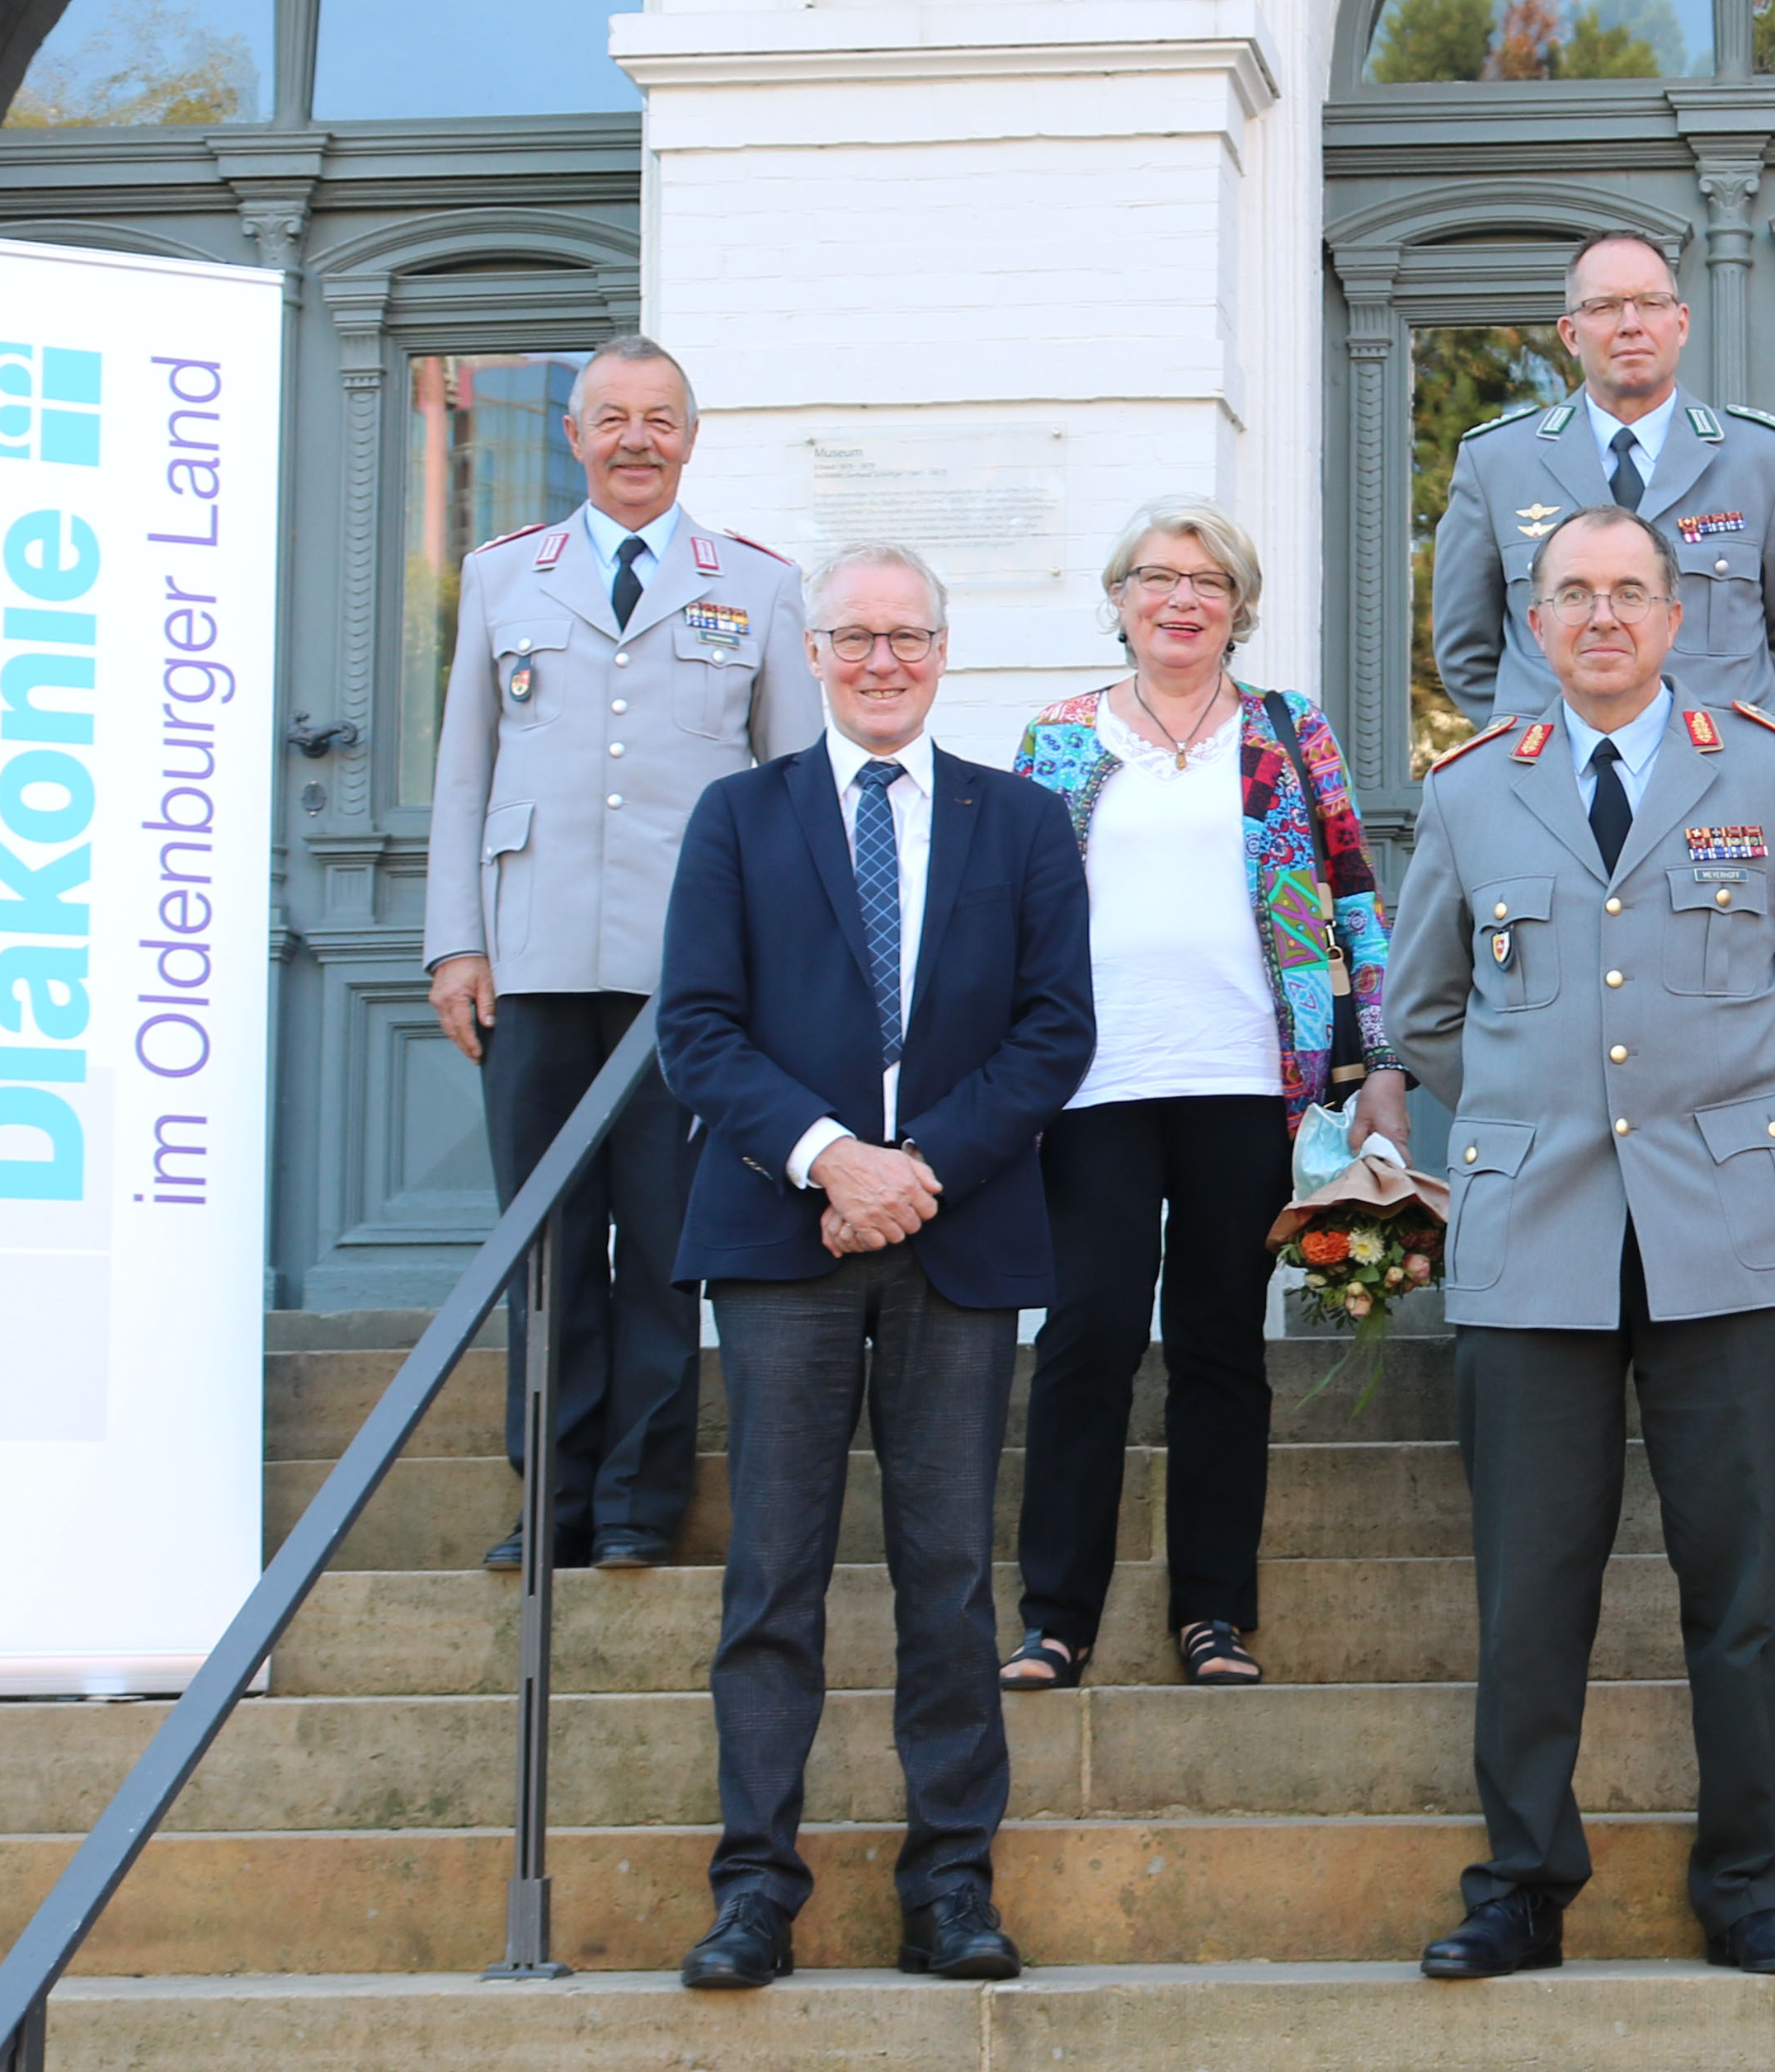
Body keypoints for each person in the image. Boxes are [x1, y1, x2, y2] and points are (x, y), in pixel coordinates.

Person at [1384, 503, 1775, 1983]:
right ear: (1532, 625)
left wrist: (1717, 1116)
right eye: (1571, 594)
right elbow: (1420, 1013)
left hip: (1731, 1225)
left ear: (1676, 618)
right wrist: (1542, 1115)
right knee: (1534, 1587)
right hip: (1535, 1232)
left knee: (1742, 1584)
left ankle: (1749, 1887)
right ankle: (1520, 1885)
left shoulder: (1772, 775)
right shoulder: (1470, 794)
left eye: (1629, 593)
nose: (1601, 617)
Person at [651, 545, 1096, 1992]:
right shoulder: (739, 815)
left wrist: (916, 1176)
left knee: (948, 1574)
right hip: (780, 1242)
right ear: (817, 649)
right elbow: (698, 1028)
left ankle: (951, 1887)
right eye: (857, 636)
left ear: (945, 650)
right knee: (771, 1575)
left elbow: (1054, 1030)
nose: (884, 659)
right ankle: (754, 1892)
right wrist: (836, 1157)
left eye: (909, 635)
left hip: (956, 1242)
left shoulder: (1022, 820)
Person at [421, 333, 820, 1574]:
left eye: (660, 418)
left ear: (689, 438)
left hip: (687, 984)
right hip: (530, 960)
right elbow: (463, 773)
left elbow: (797, 794)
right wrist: (455, 946)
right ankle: (552, 1502)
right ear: (573, 435)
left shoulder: (755, 584)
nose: (636, 439)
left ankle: (644, 1505)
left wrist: (786, 976)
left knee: (662, 1240)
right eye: (611, 418)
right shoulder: (502, 577)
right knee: (543, 1242)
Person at [996, 502, 1410, 1693]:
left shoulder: (1288, 735)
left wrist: (1377, 1058)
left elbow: (1353, 901)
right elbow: (1010, 916)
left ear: (1240, 608)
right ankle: (1055, 1617)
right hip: (1095, 1088)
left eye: (1209, 581)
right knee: (1088, 1337)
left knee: (1223, 1346)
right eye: (1158, 578)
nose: (1182, 599)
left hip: (1248, 1083)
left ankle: (1214, 1616)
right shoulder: (1060, 738)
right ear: (1120, 598)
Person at [1426, 232, 1775, 727]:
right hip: (1555, 786)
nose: (1631, 325)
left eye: (1651, 303)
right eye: (1604, 307)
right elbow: (1465, 654)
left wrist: (1744, 751)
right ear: (1570, 332)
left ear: (1681, 323)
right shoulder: (1496, 463)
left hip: (1721, 785)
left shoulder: (1764, 461)